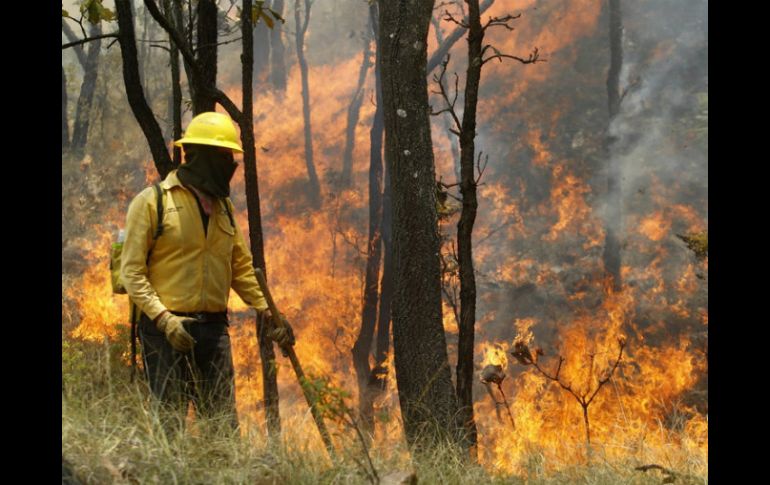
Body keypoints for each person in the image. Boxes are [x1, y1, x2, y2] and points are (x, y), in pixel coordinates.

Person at [120, 111, 292, 433]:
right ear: (197, 156)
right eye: (224, 156)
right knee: (170, 424)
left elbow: (240, 268)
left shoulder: (224, 209)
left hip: (213, 330)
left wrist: (269, 312)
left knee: (223, 426)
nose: (231, 165)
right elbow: (132, 273)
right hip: (165, 330)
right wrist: (164, 319)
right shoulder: (151, 203)